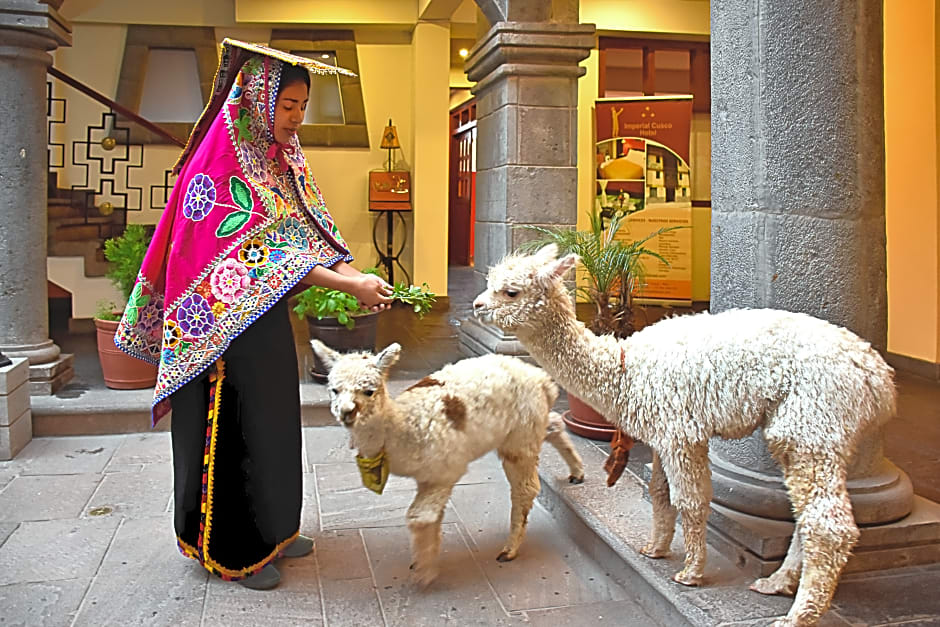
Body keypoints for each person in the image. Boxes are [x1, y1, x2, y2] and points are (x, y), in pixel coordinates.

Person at [115, 40, 392, 590]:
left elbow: (305, 230)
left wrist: (353, 274)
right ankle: (235, 551)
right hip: (221, 333)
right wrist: (348, 283)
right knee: (235, 430)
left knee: (273, 420)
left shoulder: (276, 155)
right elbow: (270, 251)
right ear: (261, 99)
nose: (296, 118)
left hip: (260, 318)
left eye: (302, 107)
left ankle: (275, 530)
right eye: (287, 105)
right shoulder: (221, 163)